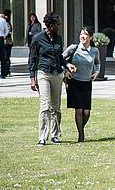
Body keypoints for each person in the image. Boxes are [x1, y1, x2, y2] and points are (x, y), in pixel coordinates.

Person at [29, 12, 76, 146]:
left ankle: (55, 135)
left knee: (56, 107)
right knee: (45, 105)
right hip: (43, 73)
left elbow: (60, 58)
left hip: (57, 74)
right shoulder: (38, 39)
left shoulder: (58, 39)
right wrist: (32, 78)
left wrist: (67, 65)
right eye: (57, 24)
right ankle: (42, 137)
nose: (59, 26)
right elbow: (32, 59)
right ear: (50, 25)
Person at [63, 27, 100, 142]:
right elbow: (61, 60)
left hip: (87, 83)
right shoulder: (73, 48)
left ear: (90, 37)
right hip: (74, 82)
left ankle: (81, 128)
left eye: (85, 34)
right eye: (81, 34)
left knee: (86, 111)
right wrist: (66, 71)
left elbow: (97, 63)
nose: (82, 36)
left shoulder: (94, 51)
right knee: (79, 109)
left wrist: (97, 72)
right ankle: (81, 135)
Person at [1, 10, 13, 78]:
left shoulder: (6, 23)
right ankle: (6, 70)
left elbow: (8, 32)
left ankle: (7, 70)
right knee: (5, 57)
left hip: (7, 42)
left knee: (6, 57)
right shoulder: (7, 23)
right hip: (7, 42)